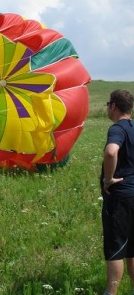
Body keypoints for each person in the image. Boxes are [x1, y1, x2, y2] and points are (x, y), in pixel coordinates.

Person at [101, 89, 134, 295]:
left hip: (120, 197)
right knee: (132, 249)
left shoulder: (117, 129)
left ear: (113, 106)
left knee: (116, 249)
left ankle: (110, 293)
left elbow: (111, 151)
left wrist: (108, 178)